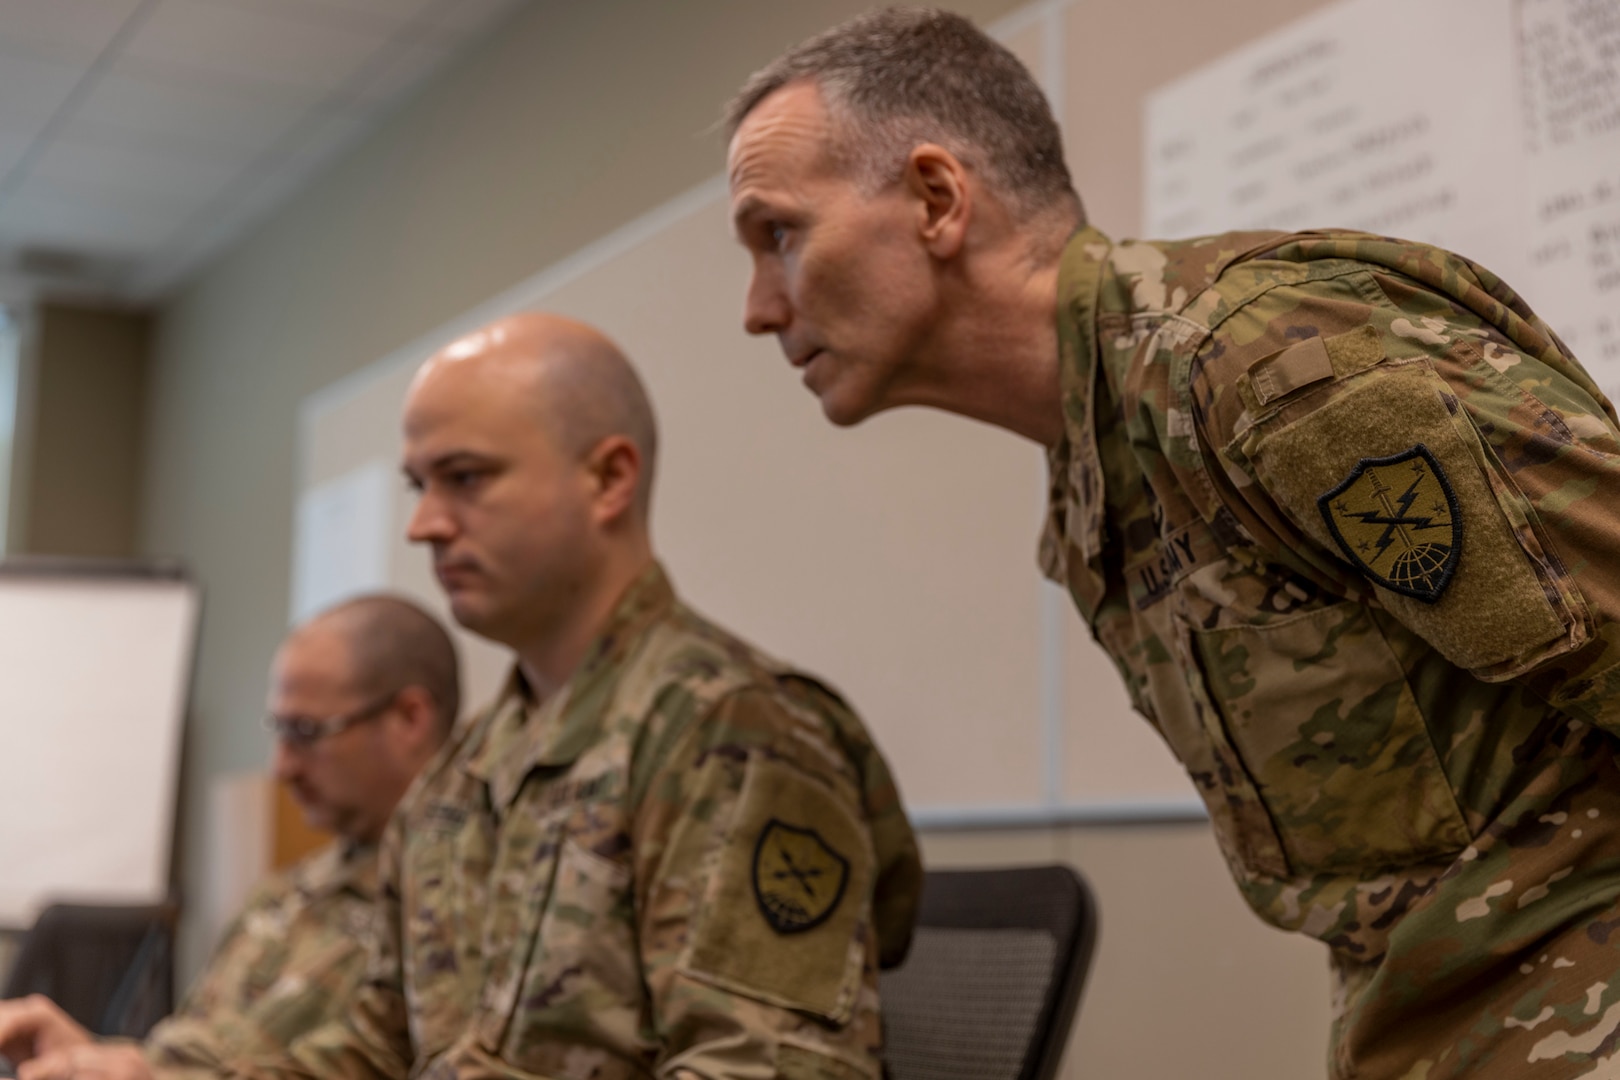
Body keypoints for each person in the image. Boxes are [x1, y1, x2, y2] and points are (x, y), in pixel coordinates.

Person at [724, 9, 1620, 1080]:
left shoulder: (1271, 366)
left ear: (935, 199)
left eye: (777, 233)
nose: (757, 309)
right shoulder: (1091, 485)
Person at [5, 313, 921, 1080]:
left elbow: (767, 1068)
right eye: (419, 485)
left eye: (467, 479)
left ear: (609, 478)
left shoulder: (732, 730)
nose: (425, 523)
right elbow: (376, 1045)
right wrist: (146, 1073)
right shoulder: (461, 778)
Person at [0, 595, 459, 1080]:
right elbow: (215, 1053)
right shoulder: (289, 890)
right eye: (279, 730)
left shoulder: (457, 900)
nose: (280, 767)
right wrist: (91, 1057)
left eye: (305, 731)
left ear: (410, 718)